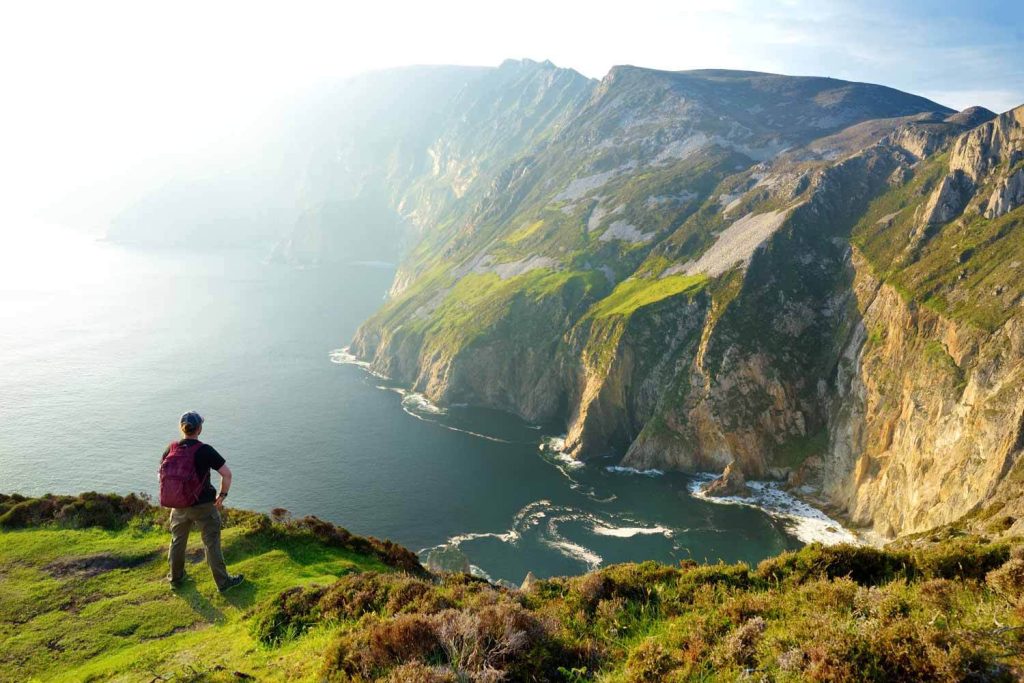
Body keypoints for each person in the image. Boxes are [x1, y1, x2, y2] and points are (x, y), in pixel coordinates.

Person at [161, 411, 244, 592]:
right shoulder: (204, 450)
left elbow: (161, 474)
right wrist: (222, 496)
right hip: (203, 506)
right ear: (199, 428)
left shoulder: (172, 448)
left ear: (181, 427)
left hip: (179, 505)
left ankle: (175, 578)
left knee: (177, 541)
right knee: (211, 542)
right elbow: (227, 474)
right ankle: (223, 583)